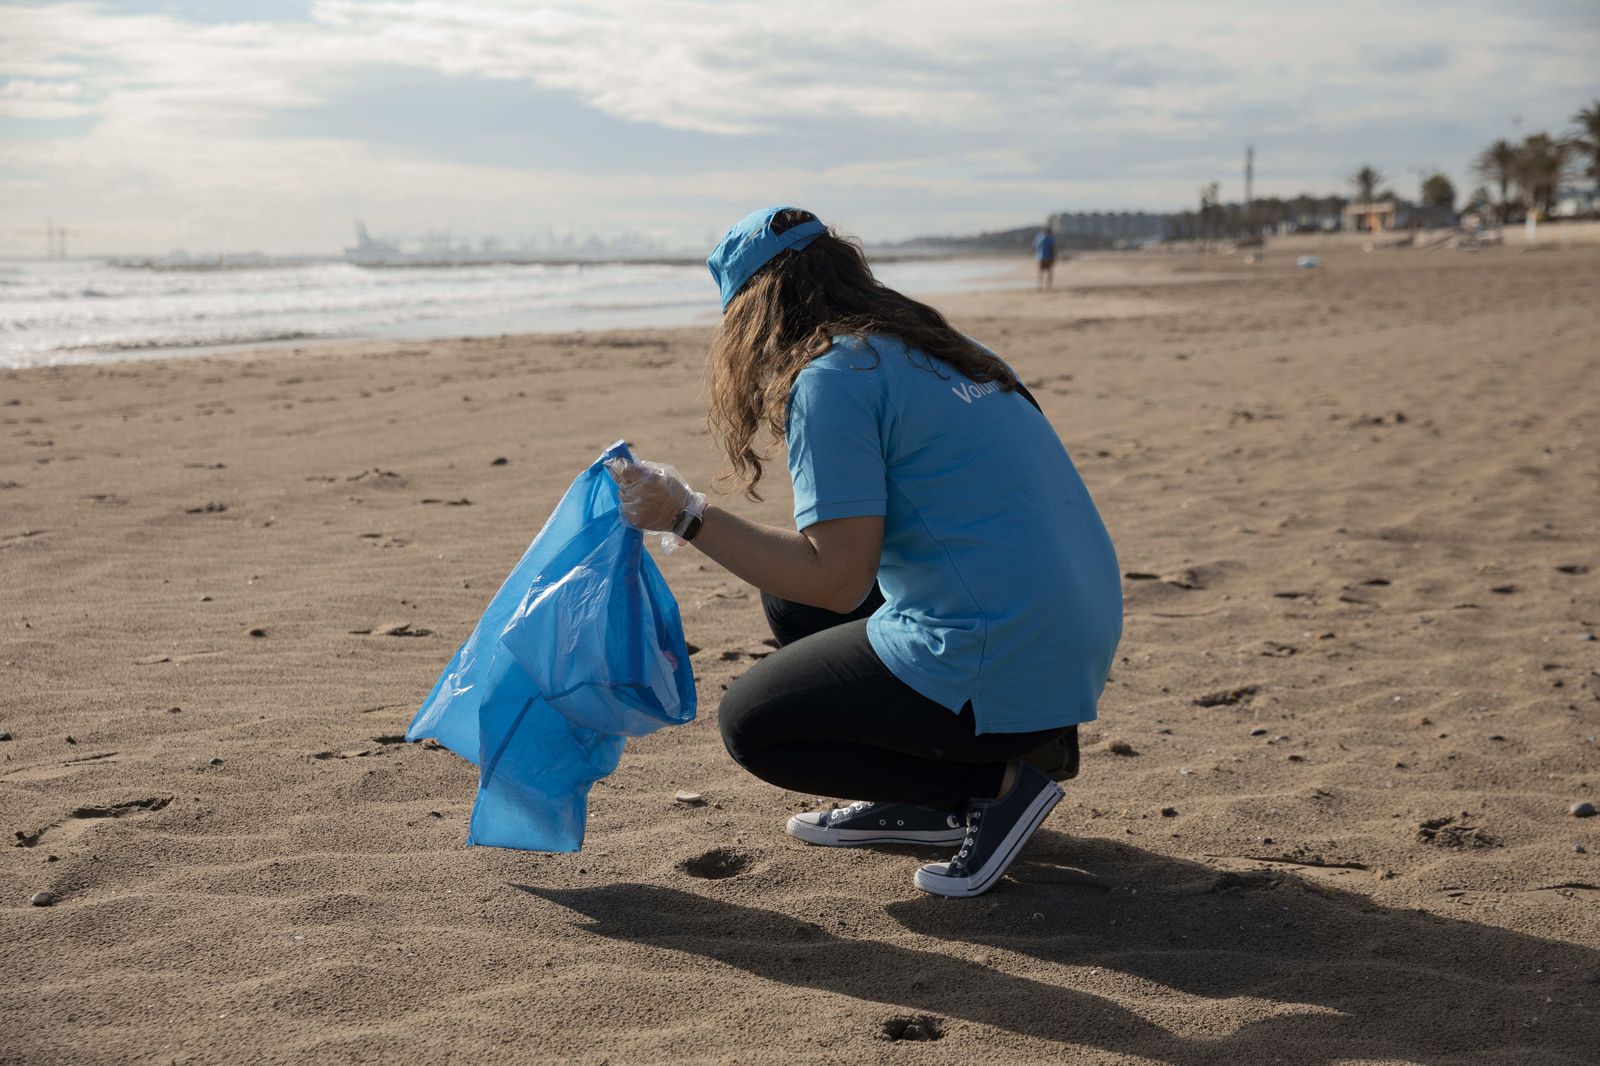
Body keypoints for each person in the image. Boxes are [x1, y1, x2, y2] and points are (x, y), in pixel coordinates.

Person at [609, 206, 1121, 897]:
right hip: (1071, 644)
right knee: (787, 598)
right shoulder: (950, 348)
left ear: (752, 313)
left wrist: (684, 515)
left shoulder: (834, 376)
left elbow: (838, 581)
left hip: (1003, 654)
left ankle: (994, 784)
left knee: (754, 726)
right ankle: (934, 796)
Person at [1033, 221, 1057, 291]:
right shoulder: (1050, 238)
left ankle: (1039, 286)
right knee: (1049, 272)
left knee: (1040, 272)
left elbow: (1035, 246)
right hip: (1048, 257)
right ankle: (1048, 286)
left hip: (1040, 257)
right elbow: (1053, 248)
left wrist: (1036, 255)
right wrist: (1054, 258)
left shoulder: (1039, 237)